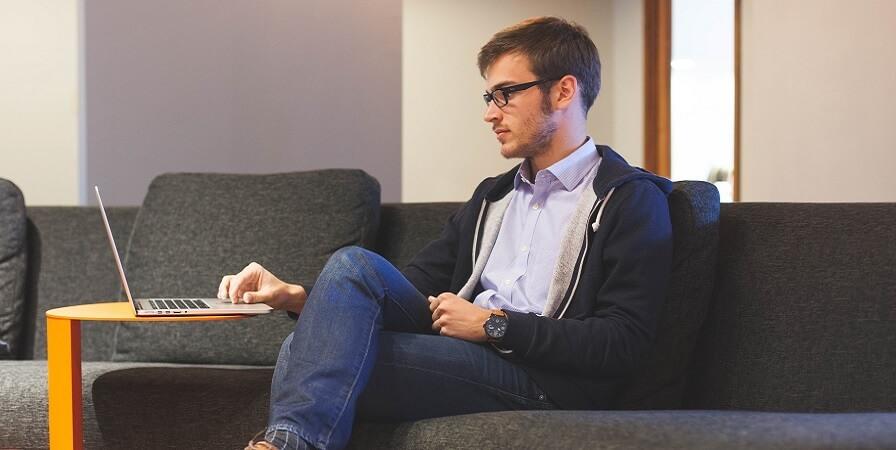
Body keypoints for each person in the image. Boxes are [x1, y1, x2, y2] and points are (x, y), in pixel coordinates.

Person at [220, 16, 673, 450]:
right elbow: (412, 288)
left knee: (304, 354)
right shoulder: (494, 197)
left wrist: (493, 325)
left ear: (563, 91)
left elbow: (623, 342)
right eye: (488, 97)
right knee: (351, 267)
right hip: (466, 356)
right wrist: (299, 297)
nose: (490, 114)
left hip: (545, 381)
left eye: (505, 94)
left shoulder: (628, 199)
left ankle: (286, 444)